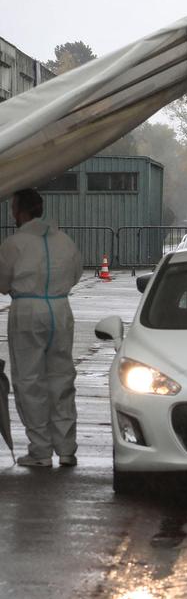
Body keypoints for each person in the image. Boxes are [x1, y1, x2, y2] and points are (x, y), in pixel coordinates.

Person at [0, 189, 82, 468]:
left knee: (29, 380)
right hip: (60, 309)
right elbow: (75, 275)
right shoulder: (64, 240)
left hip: (27, 310)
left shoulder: (14, 243)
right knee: (62, 377)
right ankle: (67, 448)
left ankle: (41, 450)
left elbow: (1, 282)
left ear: (20, 211)